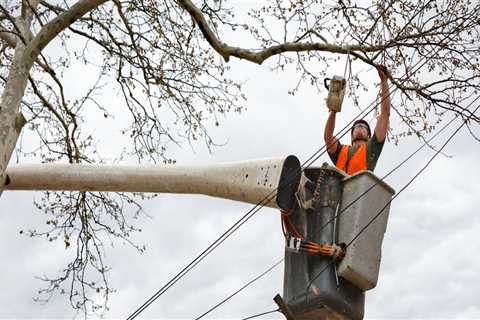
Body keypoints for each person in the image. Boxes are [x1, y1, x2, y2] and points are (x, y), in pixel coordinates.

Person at [324, 67, 391, 175]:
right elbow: (328, 137)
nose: (360, 126)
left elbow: (385, 115)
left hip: (359, 190)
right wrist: (333, 110)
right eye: (356, 126)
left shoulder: (371, 149)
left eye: (364, 127)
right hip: (336, 190)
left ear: (369, 137)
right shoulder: (341, 151)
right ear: (351, 136)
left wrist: (384, 82)